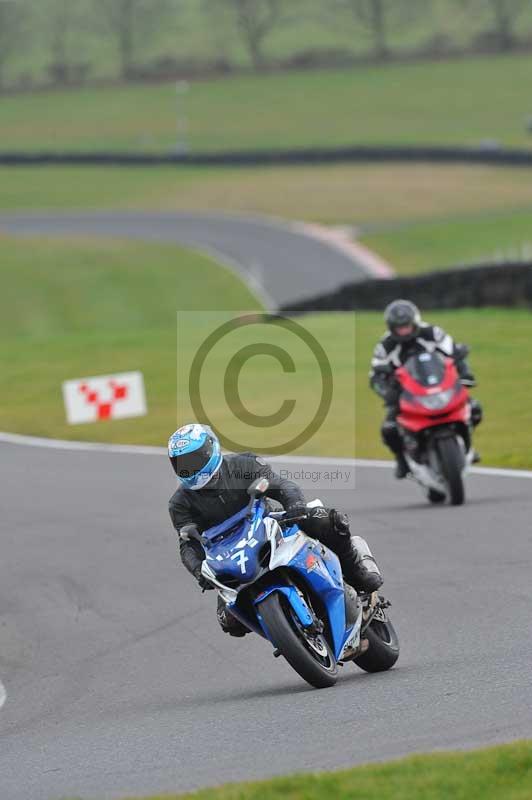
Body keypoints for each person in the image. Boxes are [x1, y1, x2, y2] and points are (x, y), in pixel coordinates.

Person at [168, 423, 383, 637]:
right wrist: (198, 570)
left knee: (328, 520)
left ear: (210, 450)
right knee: (230, 620)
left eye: (193, 461)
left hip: (268, 523)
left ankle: (357, 572)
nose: (189, 469)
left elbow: (281, 485)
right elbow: (187, 543)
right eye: (181, 464)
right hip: (230, 554)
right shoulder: (179, 503)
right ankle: (287, 633)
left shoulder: (244, 464)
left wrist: (295, 505)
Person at [369, 299, 482, 479]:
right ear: (391, 327)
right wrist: (388, 393)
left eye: (407, 326)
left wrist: (465, 374)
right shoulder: (385, 346)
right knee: (389, 429)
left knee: (475, 408)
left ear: (415, 322)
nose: (404, 331)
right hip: (405, 394)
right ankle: (402, 461)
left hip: (439, 386)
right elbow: (375, 376)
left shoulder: (433, 333)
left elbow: (456, 353)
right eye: (399, 328)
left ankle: (468, 447)